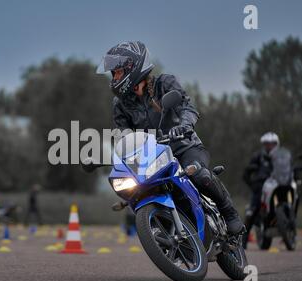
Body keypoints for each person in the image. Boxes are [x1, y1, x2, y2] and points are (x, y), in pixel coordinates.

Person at [97, 41, 244, 234]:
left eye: (117, 72)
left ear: (133, 69)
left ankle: (230, 213)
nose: (114, 78)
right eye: (113, 74)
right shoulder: (120, 104)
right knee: (138, 192)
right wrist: (116, 156)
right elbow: (124, 136)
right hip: (152, 158)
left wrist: (184, 125)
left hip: (184, 147)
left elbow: (187, 107)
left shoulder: (164, 83)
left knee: (199, 175)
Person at [242, 132, 280, 248]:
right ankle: (243, 241)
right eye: (267, 144)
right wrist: (252, 185)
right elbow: (246, 173)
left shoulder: (281, 157)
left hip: (277, 187)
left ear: (277, 144)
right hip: (260, 189)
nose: (269, 146)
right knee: (251, 212)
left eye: (272, 144)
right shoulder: (258, 156)